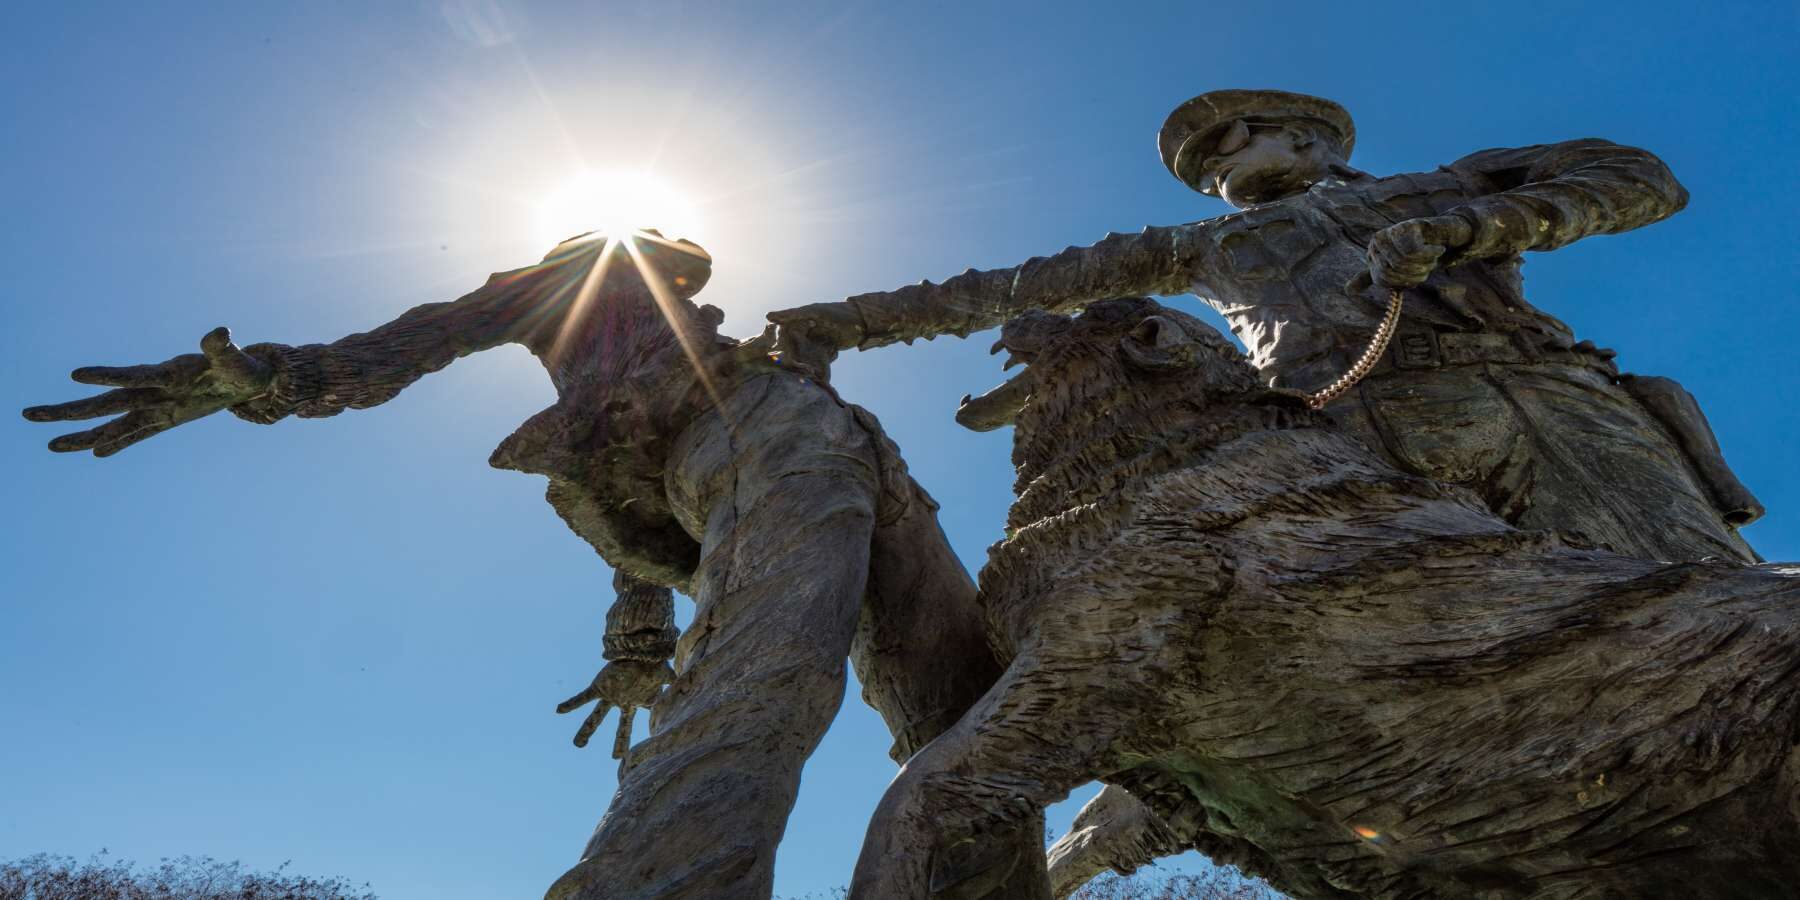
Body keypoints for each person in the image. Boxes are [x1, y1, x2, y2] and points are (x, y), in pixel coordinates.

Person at [22, 232, 1043, 900]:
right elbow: (422, 339)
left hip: (861, 466)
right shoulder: (576, 288)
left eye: (676, 276)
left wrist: (641, 644)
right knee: (756, 691)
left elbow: (649, 538)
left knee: (974, 725)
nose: (672, 287)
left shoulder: (760, 348)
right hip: (756, 442)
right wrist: (284, 380)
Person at [771, 88, 1761, 566]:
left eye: (1236, 133)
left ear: (1313, 137)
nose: (1218, 158)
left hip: (1536, 403)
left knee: (1693, 584)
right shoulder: (1193, 246)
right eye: (1203, 156)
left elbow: (1637, 177)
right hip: (1342, 444)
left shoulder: (1450, 180)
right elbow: (1011, 285)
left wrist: (1483, 223)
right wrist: (849, 322)